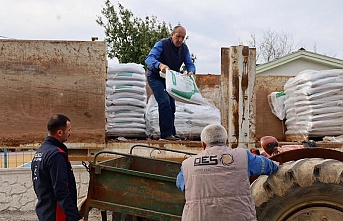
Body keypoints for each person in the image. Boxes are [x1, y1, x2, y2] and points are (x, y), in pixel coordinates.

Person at [176, 124, 279, 221]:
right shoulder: (243, 156)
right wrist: (275, 163)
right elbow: (269, 166)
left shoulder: (187, 165)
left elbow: (182, 185)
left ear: (203, 144)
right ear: (226, 140)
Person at [145, 25, 196, 141]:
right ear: (172, 35)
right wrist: (160, 65)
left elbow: (189, 63)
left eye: (183, 38)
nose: (180, 40)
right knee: (164, 101)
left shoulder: (184, 49)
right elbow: (149, 58)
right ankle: (166, 135)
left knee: (172, 105)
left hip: (170, 79)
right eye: (178, 36)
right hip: (155, 76)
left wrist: (191, 72)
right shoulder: (161, 44)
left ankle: (172, 133)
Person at [31, 114, 83, 221]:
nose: (70, 133)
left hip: (45, 212)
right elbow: (61, 190)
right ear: (59, 132)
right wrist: (74, 217)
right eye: (69, 130)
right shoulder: (56, 155)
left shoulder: (40, 152)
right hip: (57, 215)